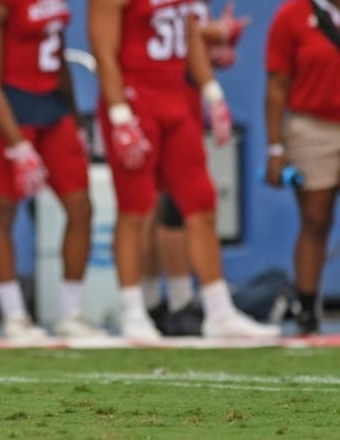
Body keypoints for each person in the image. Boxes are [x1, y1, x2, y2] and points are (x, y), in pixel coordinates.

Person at [88, 0, 280, 339]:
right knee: (136, 206)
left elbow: (189, 33)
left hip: (175, 97)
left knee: (201, 200)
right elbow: (104, 52)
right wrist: (119, 115)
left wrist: (212, 91)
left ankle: (219, 311)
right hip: (136, 97)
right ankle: (133, 311)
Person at [0, 0, 105, 341]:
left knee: (82, 208)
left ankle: (69, 313)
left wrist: (74, 118)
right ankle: (14, 315)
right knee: (4, 211)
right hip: (10, 108)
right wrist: (18, 144)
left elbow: (57, 57)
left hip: (53, 107)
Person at [143, 0, 250, 336]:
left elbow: (185, 40)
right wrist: (210, 34)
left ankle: (180, 301)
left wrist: (212, 51)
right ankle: (162, 302)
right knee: (155, 205)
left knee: (190, 201)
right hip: (152, 99)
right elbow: (154, 32)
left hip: (184, 101)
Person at [264, 0, 340, 335]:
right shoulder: (292, 15)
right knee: (315, 219)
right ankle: (307, 310)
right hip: (312, 126)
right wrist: (275, 147)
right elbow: (277, 84)